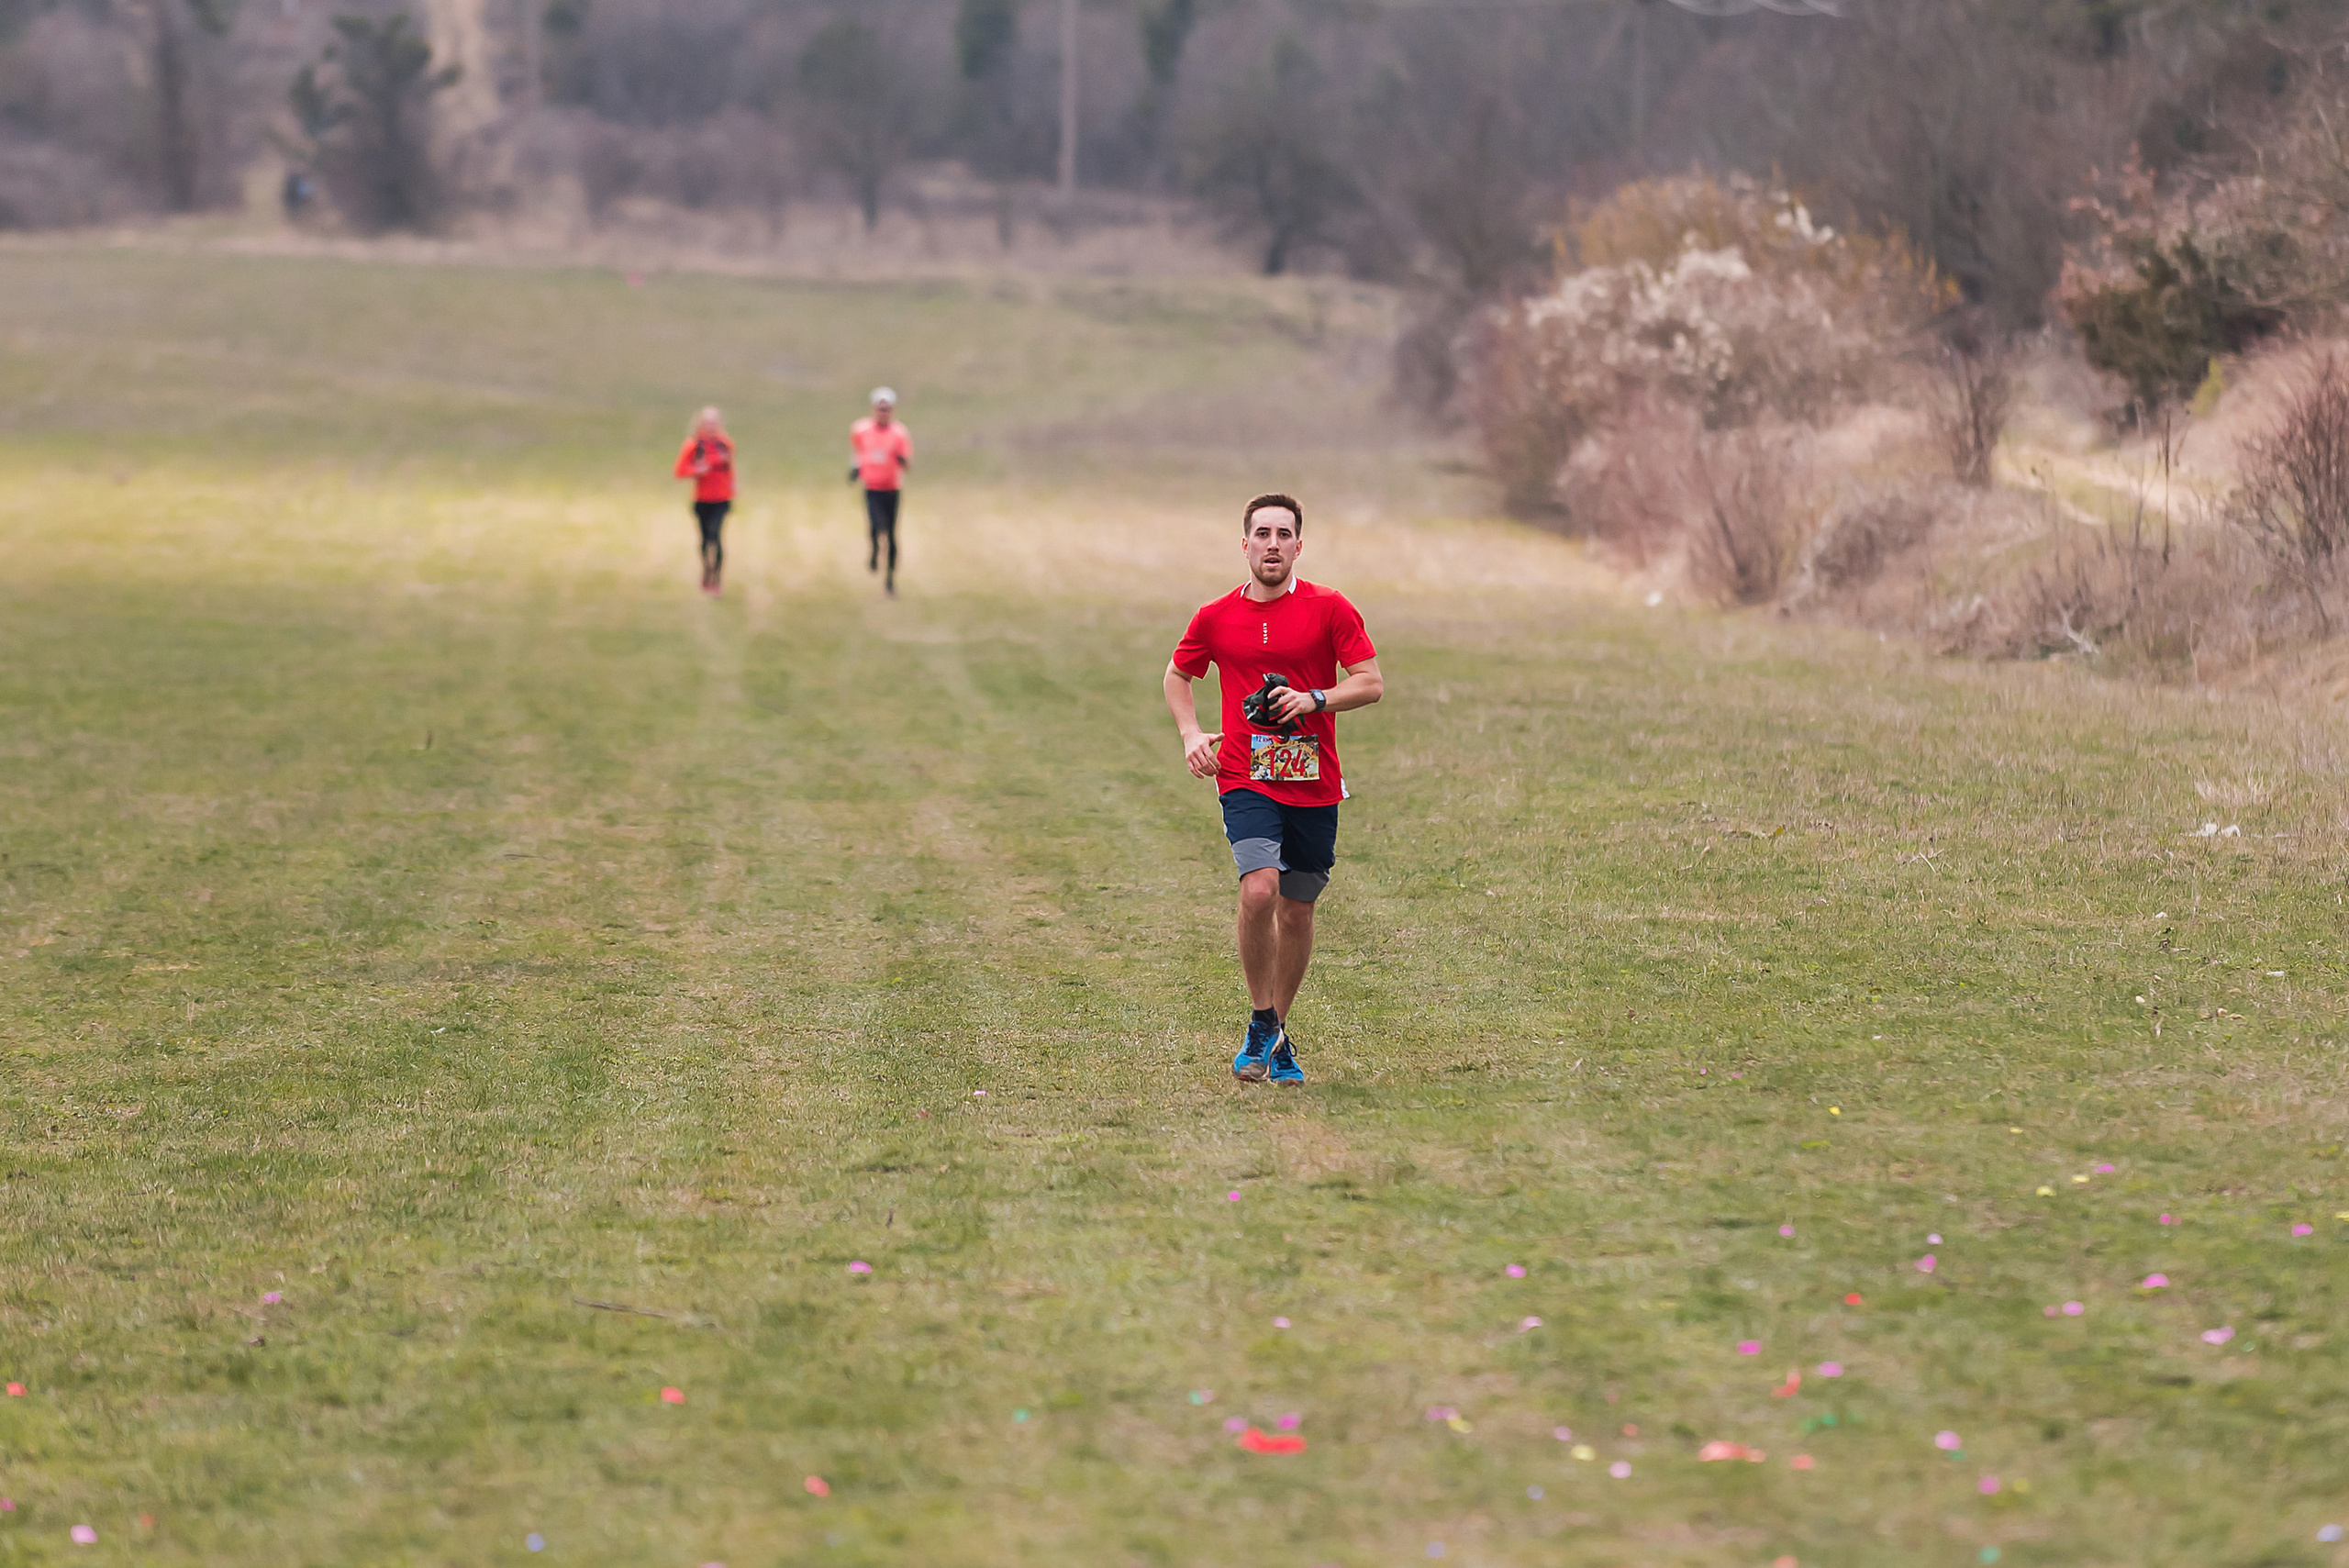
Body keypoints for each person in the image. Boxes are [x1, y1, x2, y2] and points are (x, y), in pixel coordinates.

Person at [1163, 494, 1384, 1086]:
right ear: (1245, 545)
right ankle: (1263, 1019)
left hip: (1314, 779)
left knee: (1298, 909)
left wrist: (1315, 698)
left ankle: (1275, 1030)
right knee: (1260, 890)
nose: (1272, 544)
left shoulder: (1330, 608)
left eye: (1284, 535)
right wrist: (1190, 734)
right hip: (1245, 775)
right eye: (1262, 533)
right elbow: (1178, 674)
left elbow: (1370, 682)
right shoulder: (1215, 616)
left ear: (1298, 547)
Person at [849, 387, 912, 595]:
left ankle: (890, 580)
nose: (883, 412)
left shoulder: (899, 434)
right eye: (880, 408)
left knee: (892, 534)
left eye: (887, 409)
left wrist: (902, 460)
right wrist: (855, 469)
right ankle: (875, 550)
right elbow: (858, 452)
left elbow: (906, 463)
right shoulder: (861, 430)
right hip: (872, 487)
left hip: (891, 488)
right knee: (876, 526)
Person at [673, 406, 736, 595]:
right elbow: (679, 471)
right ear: (700, 424)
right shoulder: (694, 446)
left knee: (716, 535)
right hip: (702, 499)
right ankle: (706, 571)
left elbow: (730, 469)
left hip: (722, 498)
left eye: (714, 423)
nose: (711, 427)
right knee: (705, 539)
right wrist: (697, 470)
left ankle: (716, 579)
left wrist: (733, 486)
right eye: (707, 423)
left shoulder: (725, 445)